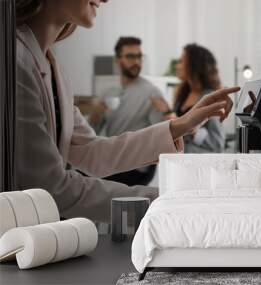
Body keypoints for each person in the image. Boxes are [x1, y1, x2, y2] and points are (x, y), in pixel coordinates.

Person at [15, 0, 239, 222]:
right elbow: (51, 188)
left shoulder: (56, 70)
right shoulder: (16, 62)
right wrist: (168, 202)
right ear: (119, 60)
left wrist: (182, 124)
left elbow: (92, 151)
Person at [90, 36, 166, 186]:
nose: (136, 62)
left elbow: (162, 135)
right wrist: (96, 114)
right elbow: (93, 131)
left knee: (88, 180)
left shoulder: (152, 93)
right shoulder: (108, 92)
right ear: (117, 60)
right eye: (130, 56)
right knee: (77, 173)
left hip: (136, 167)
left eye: (139, 57)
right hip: (112, 162)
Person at [151, 43, 226, 153]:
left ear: (193, 65)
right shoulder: (182, 94)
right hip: (178, 161)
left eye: (181, 61)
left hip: (197, 165)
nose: (177, 66)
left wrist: (187, 126)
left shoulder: (211, 98)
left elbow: (217, 144)